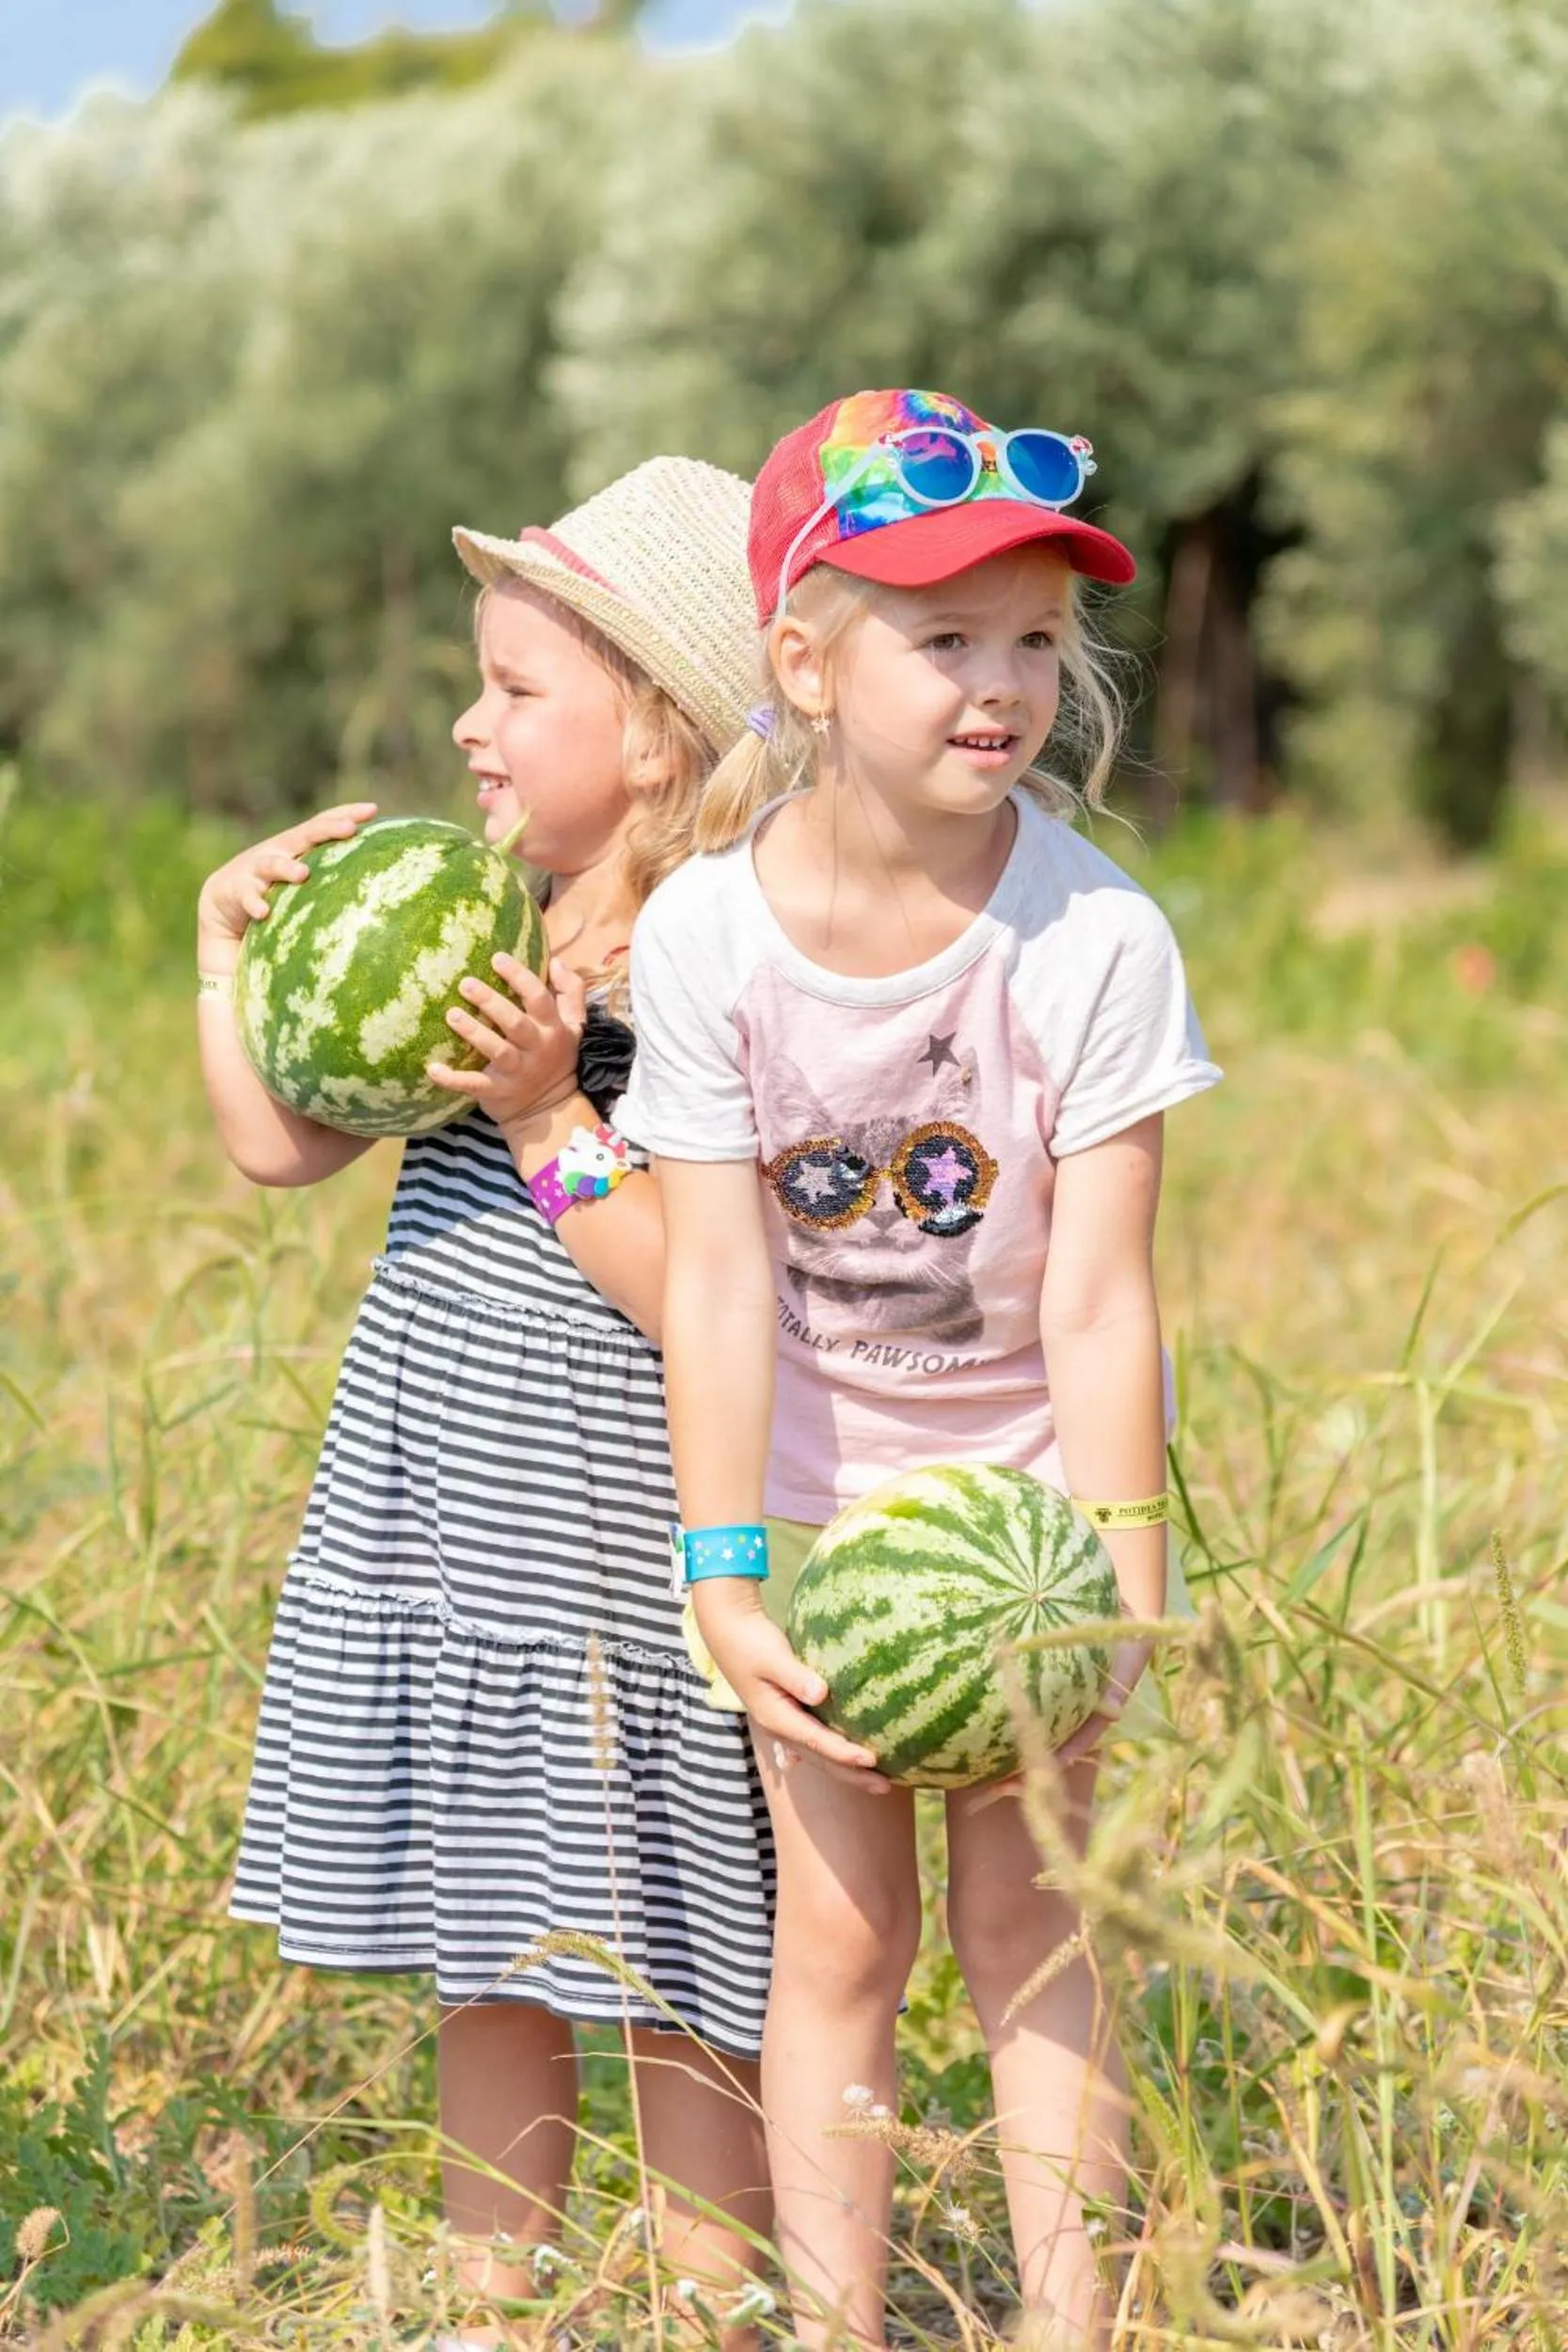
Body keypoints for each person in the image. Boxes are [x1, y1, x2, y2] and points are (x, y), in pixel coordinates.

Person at [619, 389, 1223, 2349]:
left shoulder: (1093, 934)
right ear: (801, 659)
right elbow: (713, 1277)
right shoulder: (706, 933)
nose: (1001, 682)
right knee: (845, 1930)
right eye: (940, 635)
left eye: (1035, 639)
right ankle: (836, 2321)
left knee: (1031, 1921)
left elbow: (1101, 1299)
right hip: (806, 1505)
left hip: (1028, 1513)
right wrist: (724, 1562)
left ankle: (1072, 2321)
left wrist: (1120, 1570)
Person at [195, 459, 774, 2347]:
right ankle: (486, 2303)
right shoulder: (476, 910)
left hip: (618, 1523)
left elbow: (695, 1277)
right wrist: (235, 964)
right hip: (448, 1510)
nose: (470, 722)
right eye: (480, 681)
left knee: (677, 1951)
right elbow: (282, 1145)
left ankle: (709, 2295)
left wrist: (543, 1112)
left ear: (663, 726)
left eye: (518, 688)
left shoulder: (701, 958)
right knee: (493, 1940)